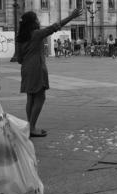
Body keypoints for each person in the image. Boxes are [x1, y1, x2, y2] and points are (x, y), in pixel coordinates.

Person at [17, 9, 82, 137]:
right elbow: (55, 27)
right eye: (36, 19)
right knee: (40, 97)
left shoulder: (20, 38)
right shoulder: (36, 34)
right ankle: (32, 127)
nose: (38, 20)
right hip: (37, 68)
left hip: (25, 69)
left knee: (30, 97)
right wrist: (71, 17)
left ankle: (29, 126)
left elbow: (19, 59)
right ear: (32, 22)